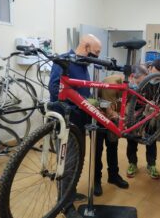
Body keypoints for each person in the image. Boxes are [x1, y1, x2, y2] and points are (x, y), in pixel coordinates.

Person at [48, 34, 101, 218]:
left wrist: (90, 103)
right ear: (85, 47)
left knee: (78, 160)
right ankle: (65, 205)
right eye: (96, 52)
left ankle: (70, 192)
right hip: (66, 121)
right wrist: (79, 105)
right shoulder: (64, 61)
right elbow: (55, 89)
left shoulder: (84, 65)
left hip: (80, 123)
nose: (96, 57)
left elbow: (82, 91)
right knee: (67, 164)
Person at [94, 64, 149, 196]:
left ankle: (113, 176)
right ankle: (96, 180)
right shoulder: (111, 82)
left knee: (113, 147)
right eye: (139, 82)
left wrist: (125, 117)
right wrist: (119, 119)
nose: (139, 86)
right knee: (97, 150)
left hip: (115, 118)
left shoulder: (131, 85)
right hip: (100, 118)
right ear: (131, 77)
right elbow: (105, 106)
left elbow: (130, 101)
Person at [126, 59, 160, 179]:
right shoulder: (140, 78)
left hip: (152, 116)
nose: (157, 76)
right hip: (134, 114)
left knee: (151, 139)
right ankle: (132, 163)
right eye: (155, 71)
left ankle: (151, 164)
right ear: (150, 68)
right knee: (131, 138)